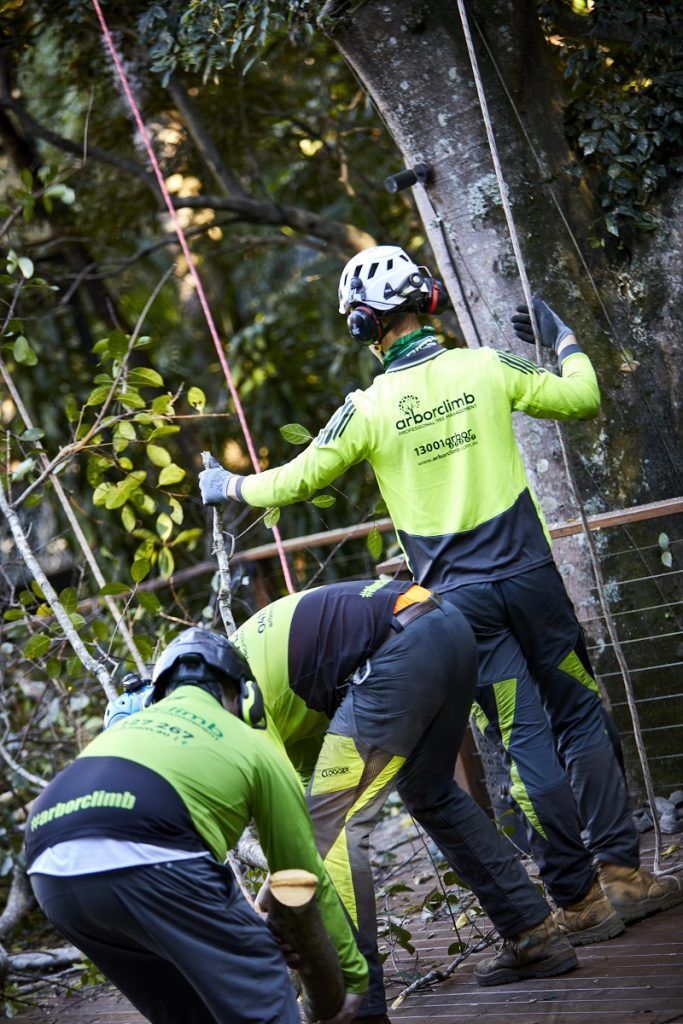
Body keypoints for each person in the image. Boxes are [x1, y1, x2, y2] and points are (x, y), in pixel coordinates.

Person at [199, 245, 682, 960]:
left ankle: (577, 900)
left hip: (458, 605)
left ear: (364, 326)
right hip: (531, 581)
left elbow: (291, 482)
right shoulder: (485, 366)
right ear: (425, 302)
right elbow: (580, 397)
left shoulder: (366, 409)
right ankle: (621, 873)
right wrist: (561, 338)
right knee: (578, 710)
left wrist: (226, 487)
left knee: (523, 738)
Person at [104, 580, 578, 1023]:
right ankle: (533, 934)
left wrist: (280, 894)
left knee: (336, 837)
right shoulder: (230, 684)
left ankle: (362, 1009)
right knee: (429, 791)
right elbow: (302, 793)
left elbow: (310, 833)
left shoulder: (225, 704)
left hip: (399, 646)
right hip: (441, 625)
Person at [26, 629, 368, 1024]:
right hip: (150, 853)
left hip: (49, 868)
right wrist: (353, 974)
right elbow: (301, 874)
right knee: (261, 984)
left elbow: (171, 847)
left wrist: (233, 926)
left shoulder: (125, 731)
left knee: (189, 1011)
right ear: (246, 697)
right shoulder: (252, 743)